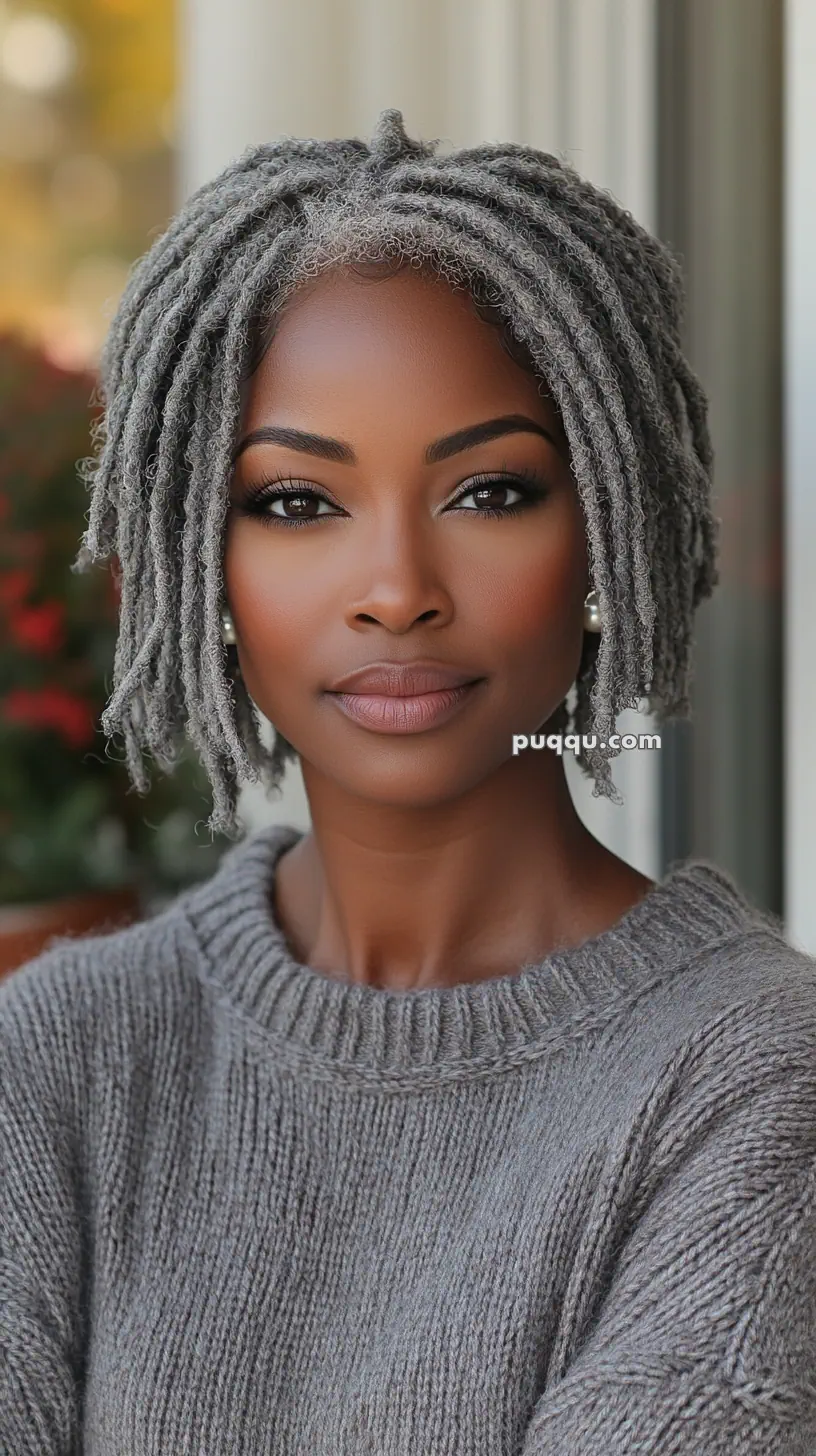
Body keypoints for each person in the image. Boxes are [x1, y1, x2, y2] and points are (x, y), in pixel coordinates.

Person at [2, 110, 815, 1455]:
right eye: (297, 502)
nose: (396, 593)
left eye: (490, 493)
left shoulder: (754, 1081)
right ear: (203, 559)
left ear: (609, 528)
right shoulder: (65, 1056)